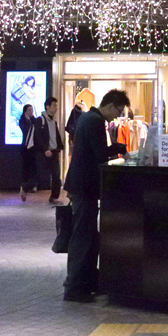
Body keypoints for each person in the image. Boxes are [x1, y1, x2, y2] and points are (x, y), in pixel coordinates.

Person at [63, 89, 129, 302]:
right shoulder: (94, 121)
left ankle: (87, 282)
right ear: (109, 105)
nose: (117, 116)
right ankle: (74, 287)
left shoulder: (87, 118)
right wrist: (117, 149)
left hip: (82, 185)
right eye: (117, 111)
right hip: (84, 187)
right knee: (83, 236)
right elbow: (100, 154)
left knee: (88, 235)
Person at [34, 97, 64, 204]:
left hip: (54, 152)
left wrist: (60, 146)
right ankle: (25, 187)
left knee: (56, 176)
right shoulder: (40, 120)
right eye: (54, 105)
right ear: (47, 106)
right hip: (44, 152)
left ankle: (54, 197)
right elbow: (38, 136)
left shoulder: (53, 121)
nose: (56, 108)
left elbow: (55, 135)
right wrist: (45, 149)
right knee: (40, 175)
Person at [18, 103, 37, 201]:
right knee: (26, 166)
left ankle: (29, 185)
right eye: (29, 110)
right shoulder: (22, 120)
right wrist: (28, 121)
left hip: (33, 147)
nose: (31, 112)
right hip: (25, 147)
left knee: (33, 167)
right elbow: (25, 130)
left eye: (32, 110)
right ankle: (25, 184)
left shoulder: (34, 120)